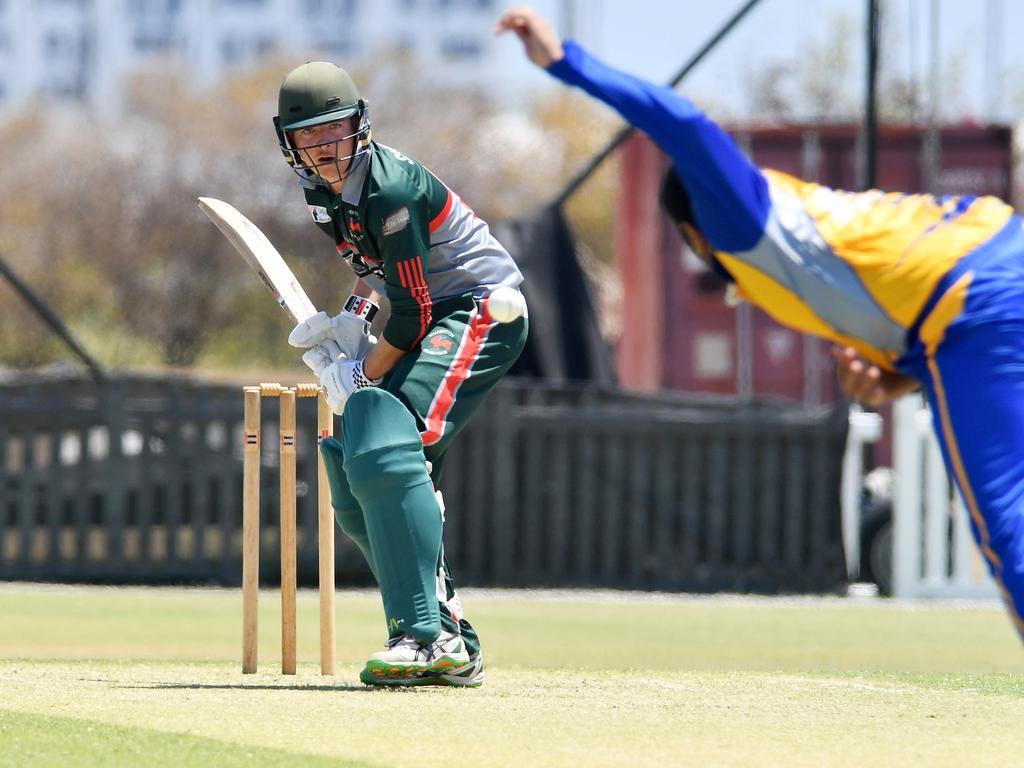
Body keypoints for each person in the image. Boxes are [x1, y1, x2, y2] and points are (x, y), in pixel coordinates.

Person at [498, 7, 1024, 639]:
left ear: (693, 231)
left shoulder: (740, 218)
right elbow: (898, 304)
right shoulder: (805, 235)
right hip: (992, 258)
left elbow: (683, 122)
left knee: (1005, 519)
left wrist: (563, 62)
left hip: (975, 300)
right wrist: (894, 377)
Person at [274, 61, 528, 685]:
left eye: (334, 132)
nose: (324, 149)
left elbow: (413, 313)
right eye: (309, 137)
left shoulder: (390, 188)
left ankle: (424, 635)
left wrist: (359, 371)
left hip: (478, 308)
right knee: (355, 451)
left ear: (358, 126)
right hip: (430, 312)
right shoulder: (322, 193)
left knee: (386, 434)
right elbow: (377, 271)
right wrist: (349, 318)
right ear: (290, 143)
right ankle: (442, 635)